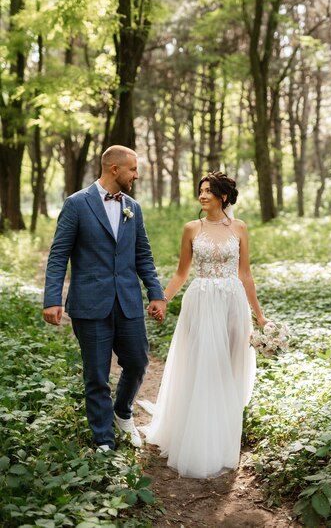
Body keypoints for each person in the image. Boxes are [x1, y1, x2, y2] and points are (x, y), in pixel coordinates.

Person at [140, 171, 270, 478]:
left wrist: (260, 315)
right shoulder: (191, 228)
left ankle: (223, 433)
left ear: (223, 196)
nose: (202, 195)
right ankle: (199, 437)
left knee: (229, 365)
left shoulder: (239, 228)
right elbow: (181, 273)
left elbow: (246, 274)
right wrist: (164, 299)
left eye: (209, 191)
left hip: (233, 303)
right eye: (201, 190)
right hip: (201, 301)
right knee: (204, 365)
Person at [43, 145, 166, 452]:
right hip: (90, 303)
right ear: (115, 169)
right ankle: (104, 442)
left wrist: (156, 293)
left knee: (137, 362)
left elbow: (143, 256)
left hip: (127, 301)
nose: (136, 175)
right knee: (97, 375)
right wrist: (51, 298)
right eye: (133, 170)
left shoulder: (133, 208)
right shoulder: (76, 205)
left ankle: (122, 412)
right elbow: (59, 255)